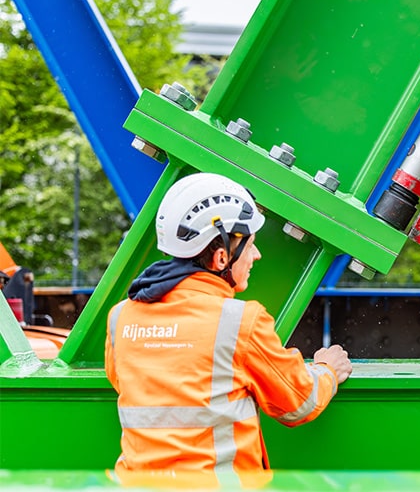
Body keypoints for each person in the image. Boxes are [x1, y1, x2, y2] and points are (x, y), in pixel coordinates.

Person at [104, 172, 352, 480]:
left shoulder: (121, 317)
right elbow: (299, 402)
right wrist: (326, 370)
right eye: (250, 245)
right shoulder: (240, 322)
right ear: (222, 256)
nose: (256, 255)